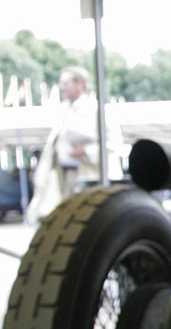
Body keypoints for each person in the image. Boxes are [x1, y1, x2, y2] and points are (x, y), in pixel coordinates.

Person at [27, 66, 121, 222]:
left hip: (89, 177)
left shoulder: (97, 109)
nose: (62, 87)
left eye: (66, 83)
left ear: (80, 84)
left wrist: (87, 152)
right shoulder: (62, 111)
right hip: (65, 177)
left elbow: (114, 142)